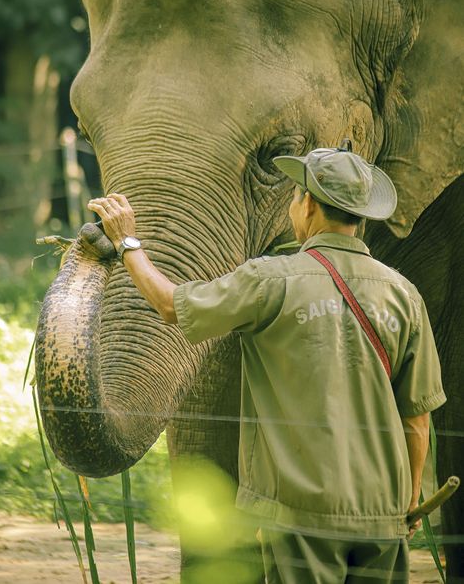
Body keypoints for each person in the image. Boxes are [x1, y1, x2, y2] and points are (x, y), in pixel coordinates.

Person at [88, 141, 446, 583]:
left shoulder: (270, 281)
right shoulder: (404, 294)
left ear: (308, 205)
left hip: (300, 515)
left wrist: (127, 242)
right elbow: (418, 420)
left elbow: (170, 305)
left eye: (296, 197)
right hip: (382, 517)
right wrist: (409, 502)